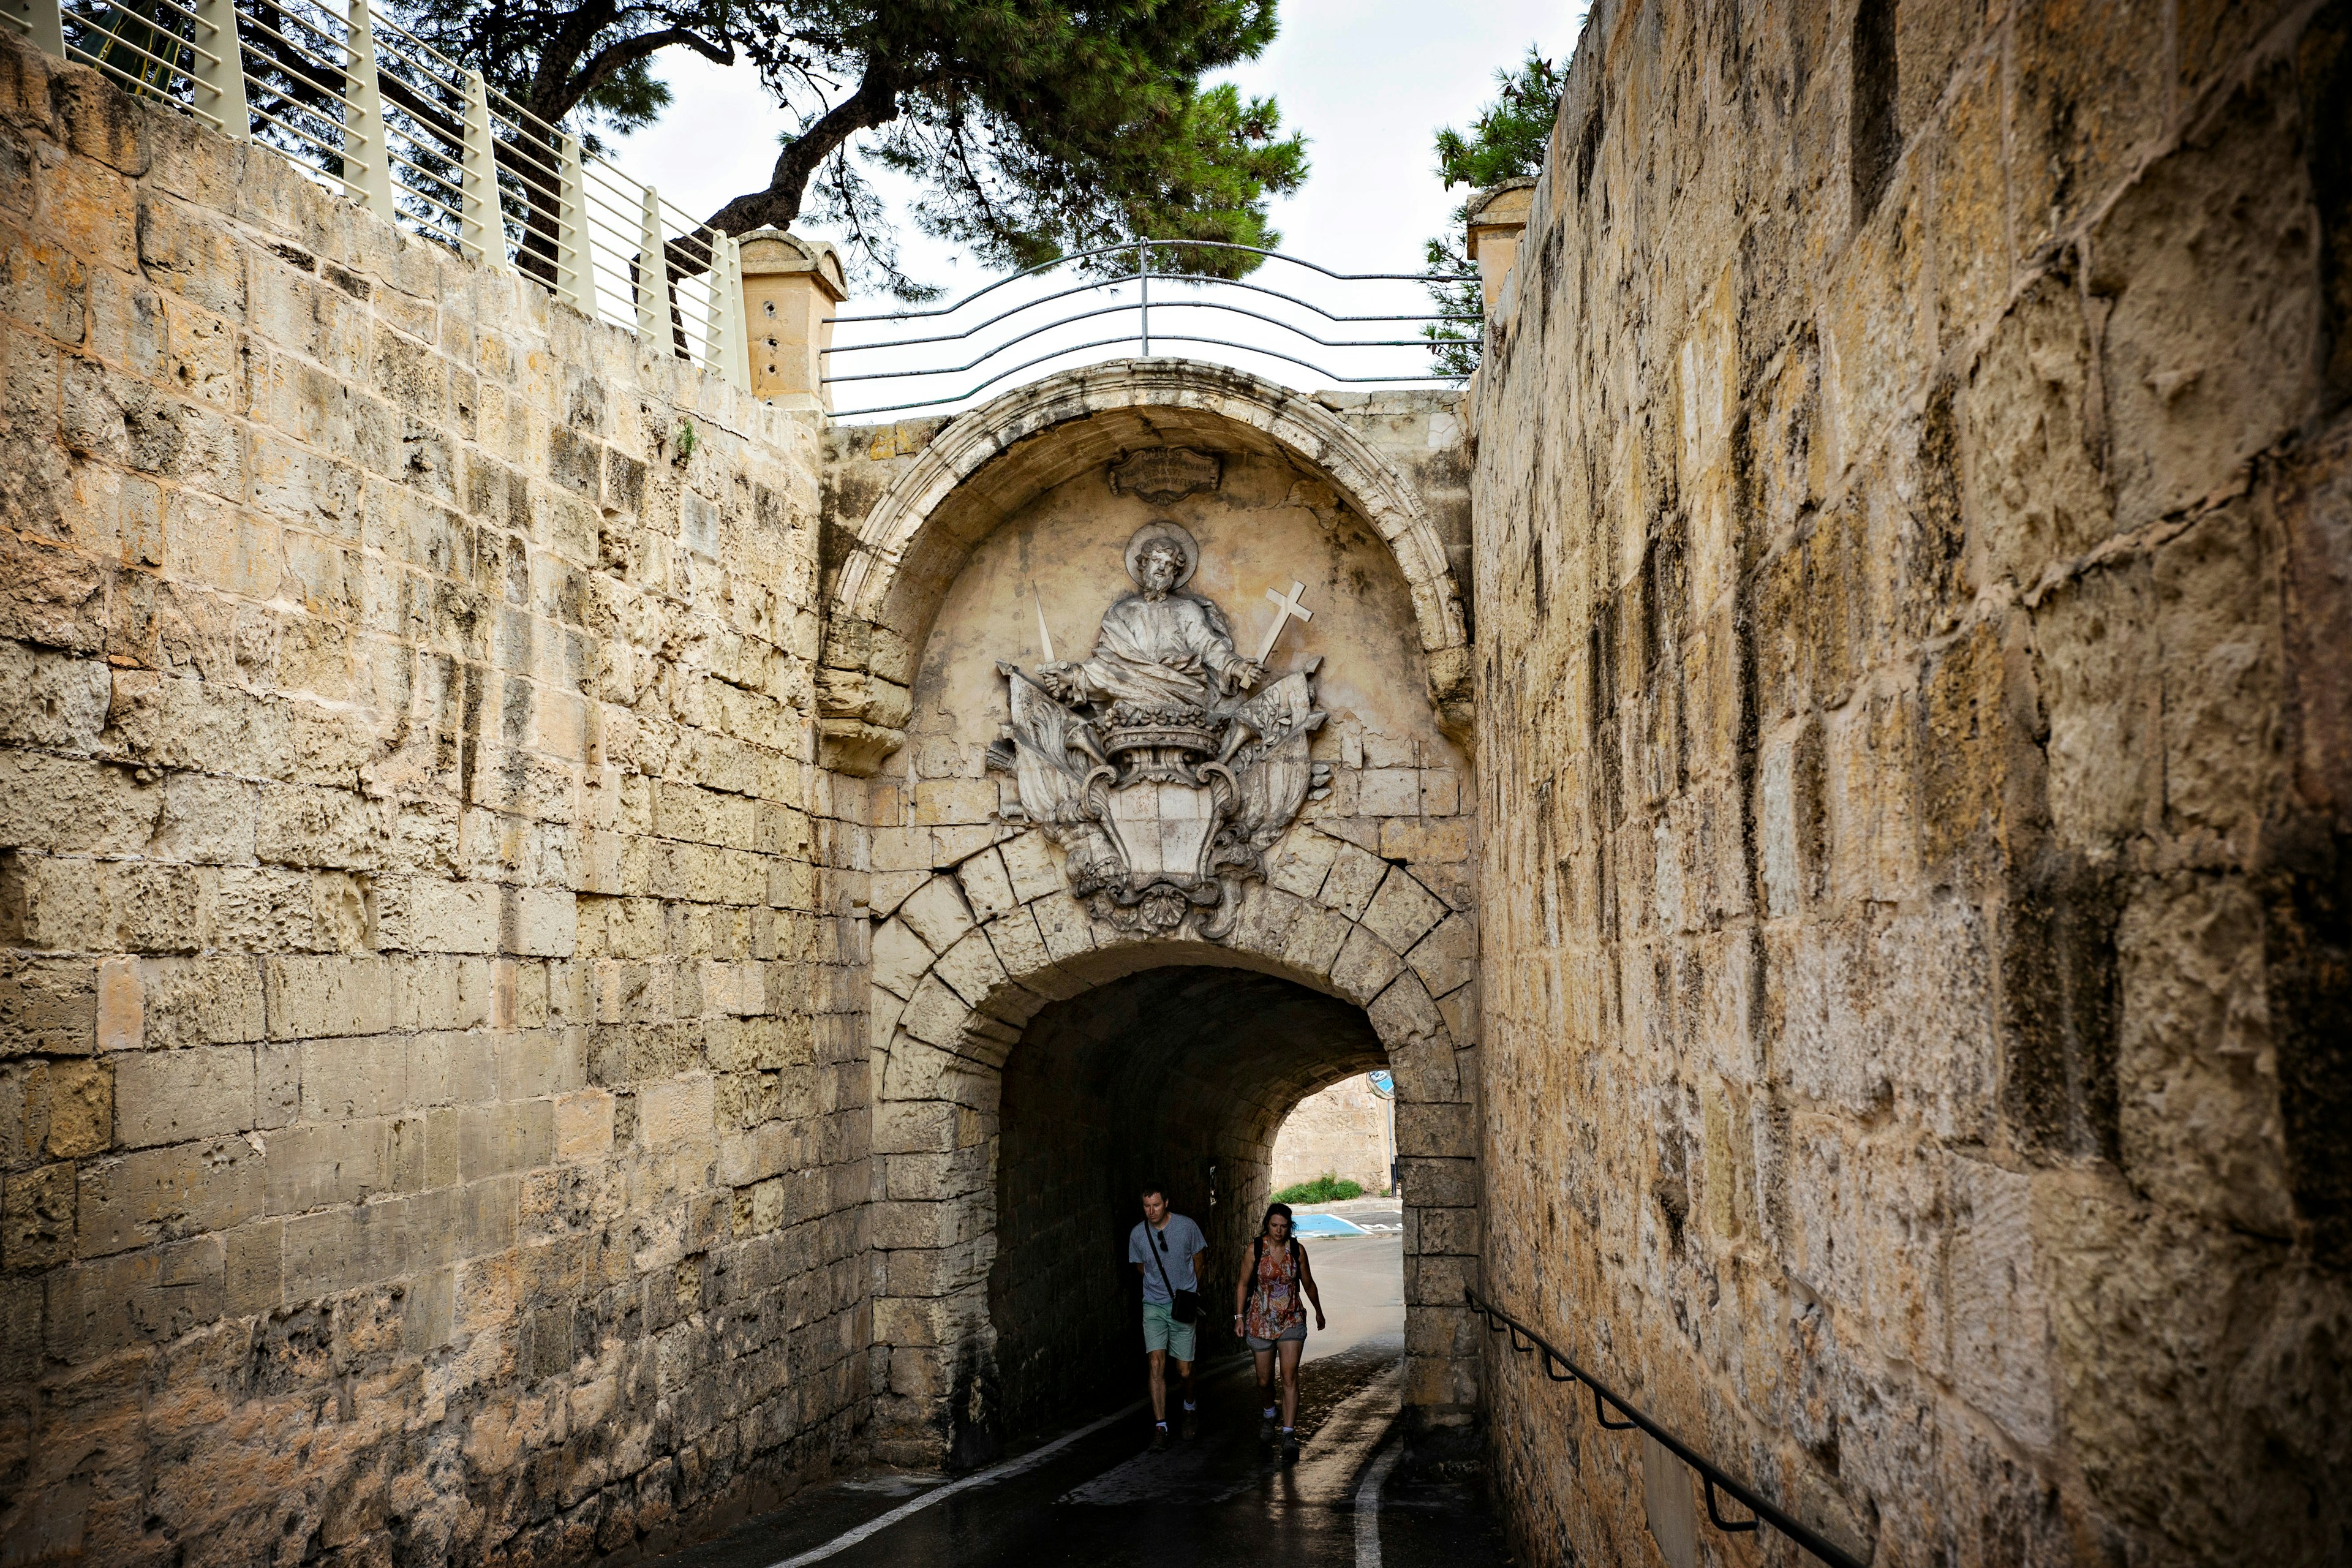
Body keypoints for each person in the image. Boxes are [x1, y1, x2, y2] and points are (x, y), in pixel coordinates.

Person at [1233, 1201, 1324, 1463]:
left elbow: (1308, 1282)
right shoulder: (1255, 1249)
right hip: (1260, 1321)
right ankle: (1269, 1412)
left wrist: (1318, 1310)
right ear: (1267, 1225)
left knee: (1289, 1376)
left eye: (1284, 1226)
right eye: (1274, 1225)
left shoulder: (1296, 1250)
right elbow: (1242, 1283)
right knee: (1264, 1381)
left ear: (1289, 1226)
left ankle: (1288, 1434)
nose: (1278, 1230)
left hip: (1291, 1320)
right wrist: (1239, 1317)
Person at [1129, 1182, 1208, 1449]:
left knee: (1184, 1370)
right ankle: (1161, 1426)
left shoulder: (1187, 1227)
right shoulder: (1138, 1234)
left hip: (1182, 1305)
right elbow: (1141, 1266)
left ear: (1167, 1203)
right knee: (1156, 1364)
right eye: (1146, 1206)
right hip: (1153, 1305)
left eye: (1156, 1206)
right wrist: (1158, 1288)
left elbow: (1200, 1260)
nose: (1151, 1211)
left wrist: (1191, 1291)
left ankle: (1189, 1407)